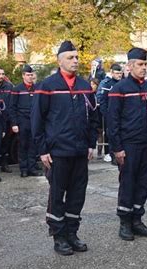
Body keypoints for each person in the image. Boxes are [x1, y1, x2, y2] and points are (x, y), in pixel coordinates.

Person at [31, 40, 99, 255]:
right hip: (57, 152)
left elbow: (93, 117)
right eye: (70, 57)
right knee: (57, 195)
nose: (75, 61)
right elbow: (37, 120)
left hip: (80, 151)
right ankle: (59, 236)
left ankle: (72, 233)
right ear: (59, 61)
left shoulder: (84, 86)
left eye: (77, 57)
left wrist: (91, 143)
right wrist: (42, 150)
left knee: (77, 195)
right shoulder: (47, 86)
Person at [108, 47, 147, 241]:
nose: (144, 68)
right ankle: (125, 222)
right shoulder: (119, 89)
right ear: (129, 66)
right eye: (140, 64)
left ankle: (137, 220)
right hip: (128, 145)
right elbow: (112, 121)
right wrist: (117, 148)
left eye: (145, 64)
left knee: (143, 183)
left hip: (146, 144)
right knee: (128, 183)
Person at [10, 65, 42, 177]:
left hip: (34, 121)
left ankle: (32, 168)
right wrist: (14, 123)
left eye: (31, 75)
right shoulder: (17, 89)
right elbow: (12, 107)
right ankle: (23, 169)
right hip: (22, 121)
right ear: (23, 76)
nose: (30, 77)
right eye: (28, 75)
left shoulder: (37, 88)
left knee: (33, 146)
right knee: (23, 145)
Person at [97, 63, 123, 164]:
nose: (119, 75)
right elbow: (103, 101)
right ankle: (113, 156)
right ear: (112, 73)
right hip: (111, 115)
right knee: (112, 136)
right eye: (117, 73)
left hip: (122, 115)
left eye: (120, 73)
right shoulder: (107, 85)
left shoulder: (124, 84)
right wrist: (107, 115)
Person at [0, 68, 14, 173]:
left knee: (6, 143)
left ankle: (4, 164)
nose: (1, 76)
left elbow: (12, 103)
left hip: (7, 119)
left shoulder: (9, 86)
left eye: (3, 74)